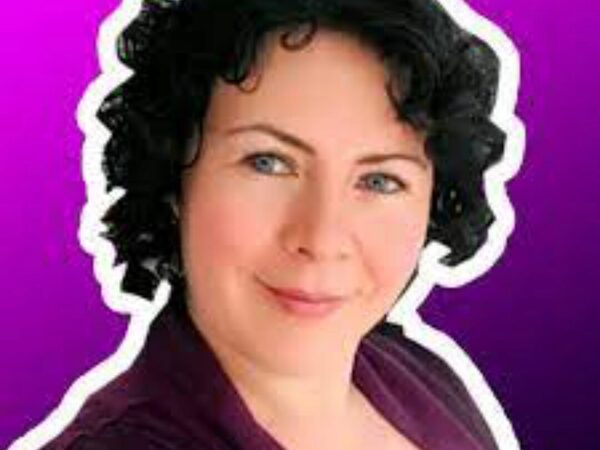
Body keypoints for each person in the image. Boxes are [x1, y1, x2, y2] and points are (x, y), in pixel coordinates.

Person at [43, 0, 506, 448]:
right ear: (173, 179)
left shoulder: (421, 378)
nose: (321, 239)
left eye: (380, 180)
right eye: (267, 162)